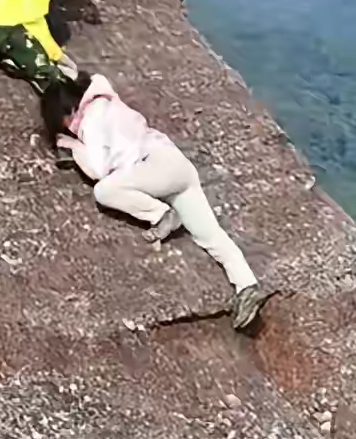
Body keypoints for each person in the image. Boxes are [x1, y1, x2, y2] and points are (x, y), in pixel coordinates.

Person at [42, 70, 269, 333]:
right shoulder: (108, 101)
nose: (68, 127)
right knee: (212, 235)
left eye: (63, 123)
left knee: (103, 191)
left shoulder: (90, 120)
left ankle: (160, 214)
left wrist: (72, 145)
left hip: (154, 165)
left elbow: (98, 171)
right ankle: (246, 285)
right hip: (177, 165)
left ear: (68, 113)